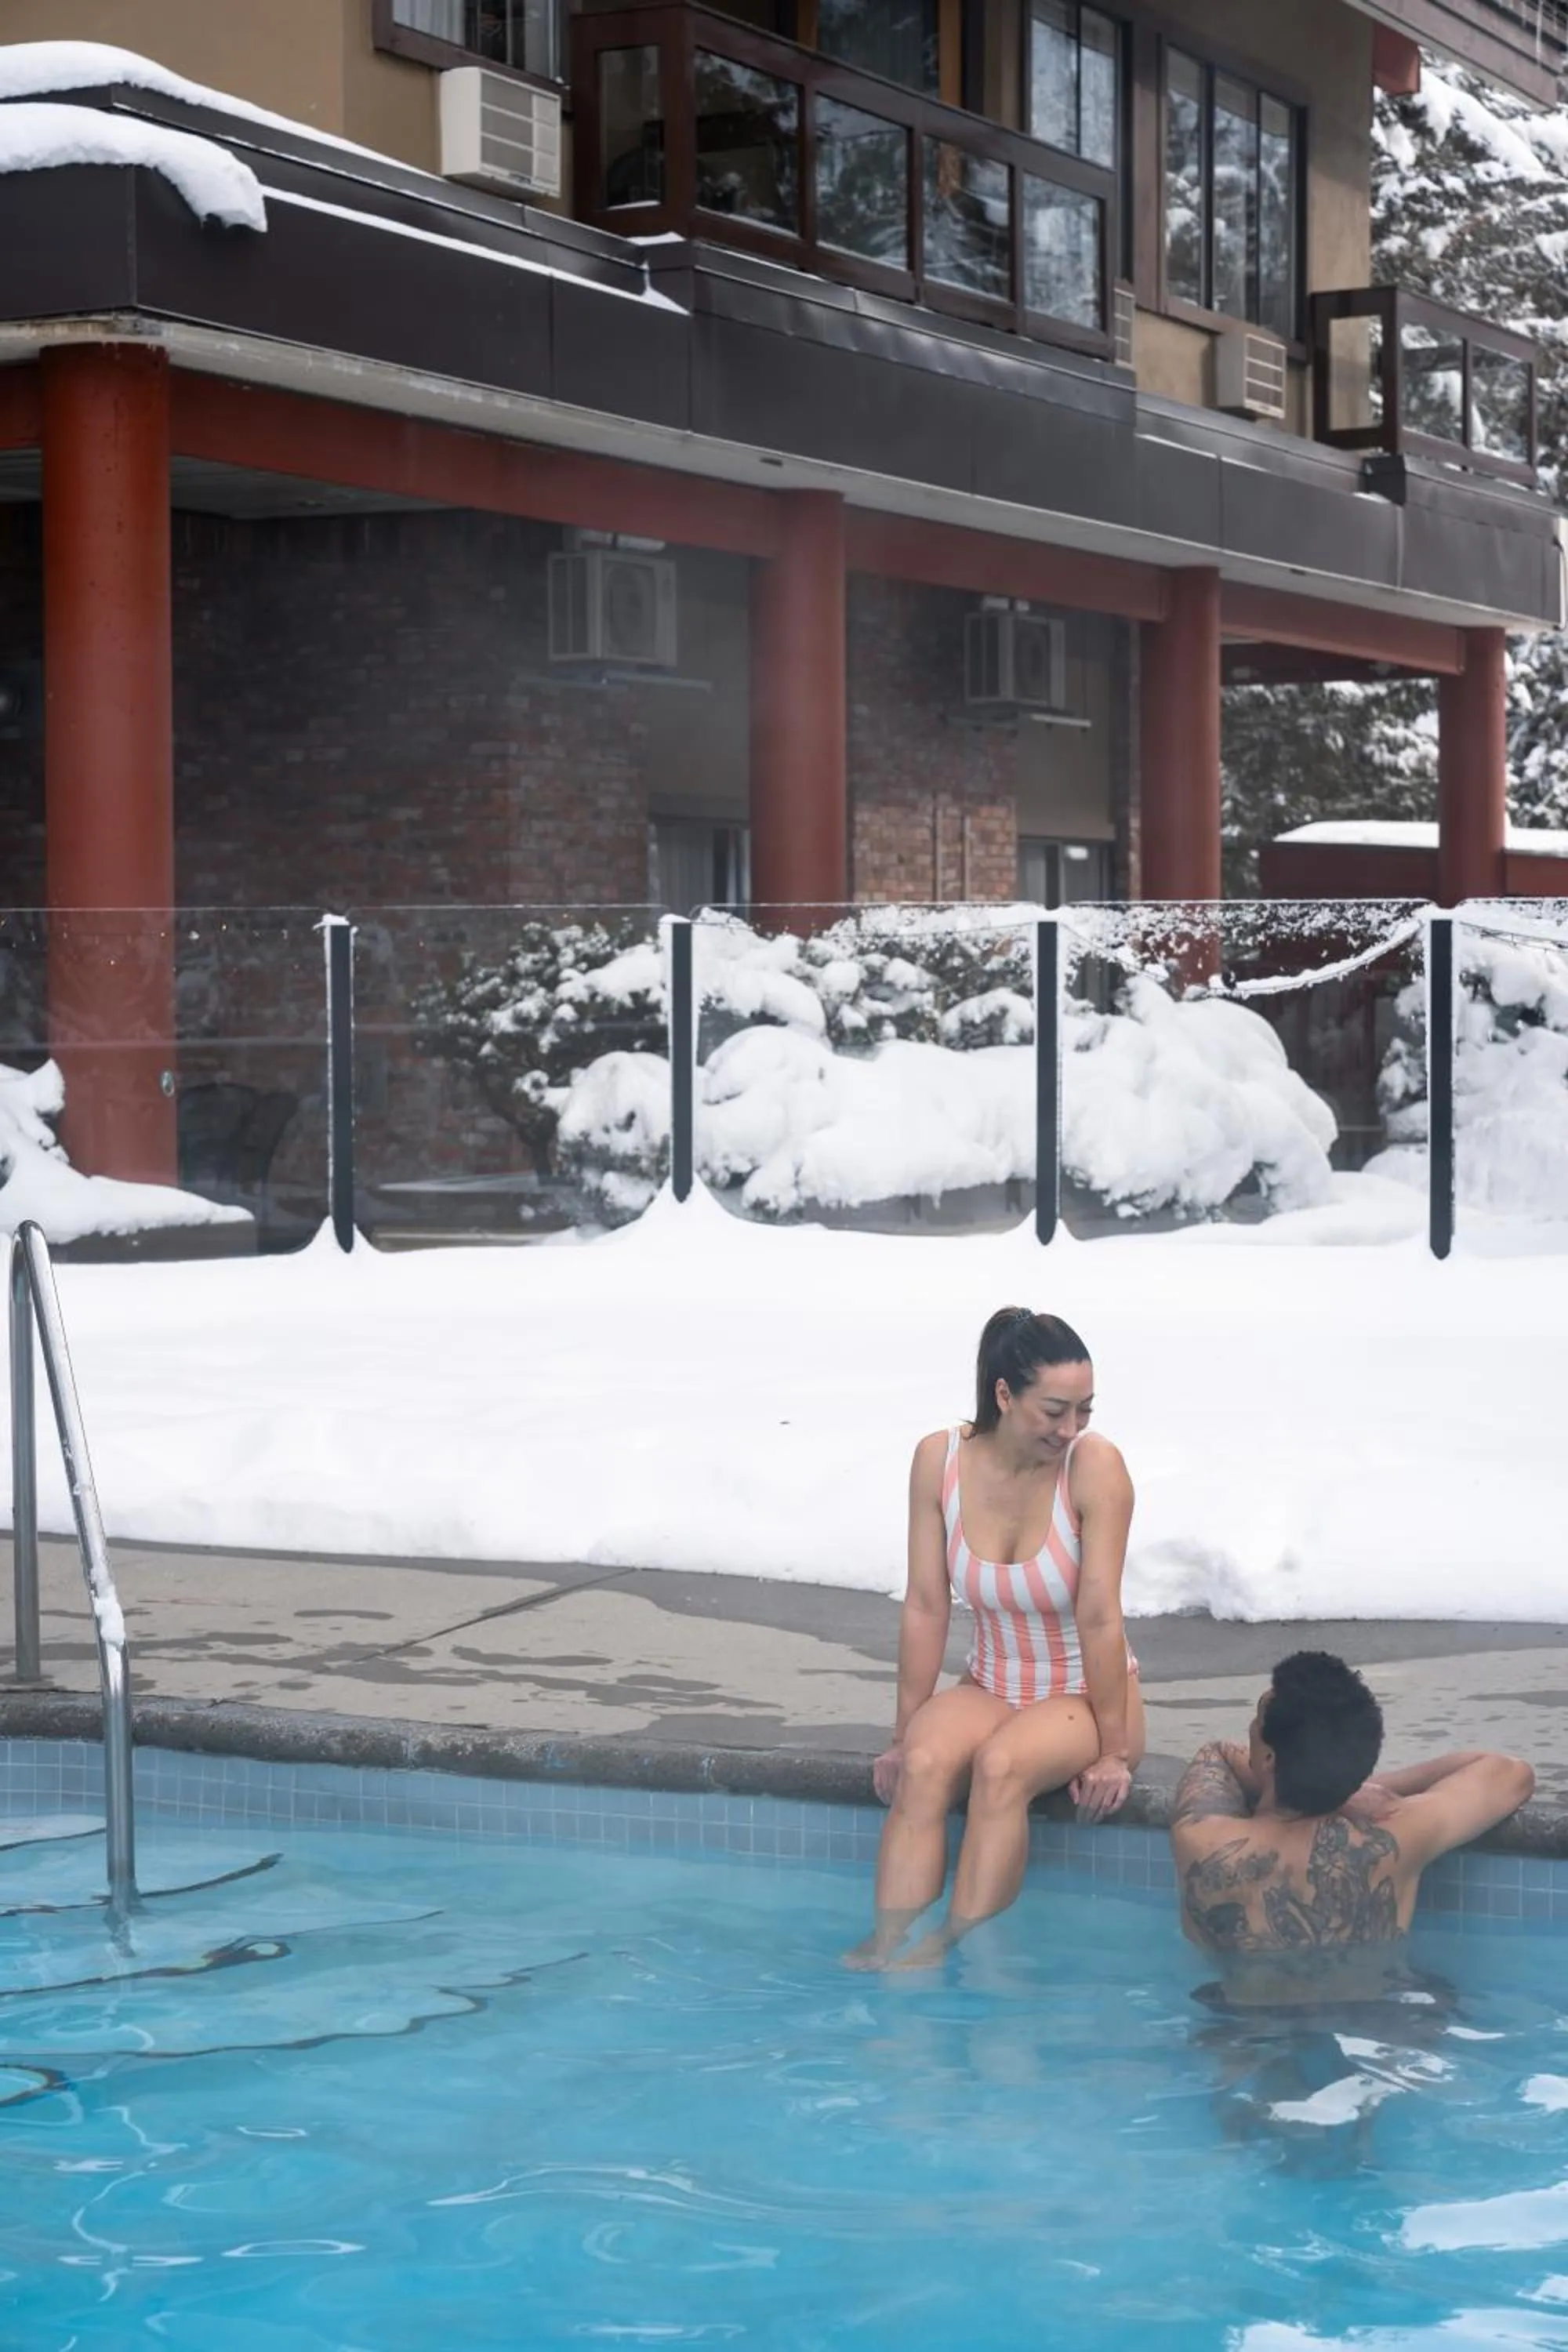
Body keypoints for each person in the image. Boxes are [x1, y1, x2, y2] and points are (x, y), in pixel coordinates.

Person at [844, 1306, 1142, 1970]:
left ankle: (951, 1943)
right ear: (1004, 1395)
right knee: (923, 1765)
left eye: (1085, 1411)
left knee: (1000, 1768)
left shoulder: (1095, 1468)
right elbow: (926, 1605)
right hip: (993, 1682)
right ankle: (888, 1943)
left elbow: (1100, 1616)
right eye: (1054, 1411)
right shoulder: (940, 1460)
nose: (1071, 1429)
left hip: (1086, 1695)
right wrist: (902, 1734)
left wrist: (1115, 1751)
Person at [1170, 1650, 1536, 2006]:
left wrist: (1332, 1787)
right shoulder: (1397, 1836)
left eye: (1256, 1719)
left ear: (1268, 1758)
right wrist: (1345, 1787)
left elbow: (1214, 1755)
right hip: (1377, 2022)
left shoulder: (1203, 1840)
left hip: (1243, 2037)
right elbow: (1510, 1772)